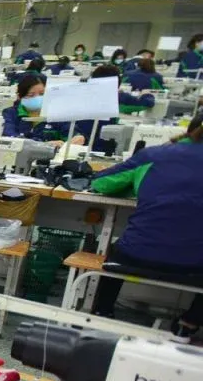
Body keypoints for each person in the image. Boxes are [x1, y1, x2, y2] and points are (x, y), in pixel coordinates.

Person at [87, 117, 203, 338]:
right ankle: (190, 322)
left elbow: (102, 183)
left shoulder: (154, 155)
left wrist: (137, 188)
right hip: (197, 266)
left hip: (136, 255)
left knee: (119, 246)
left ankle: (102, 310)